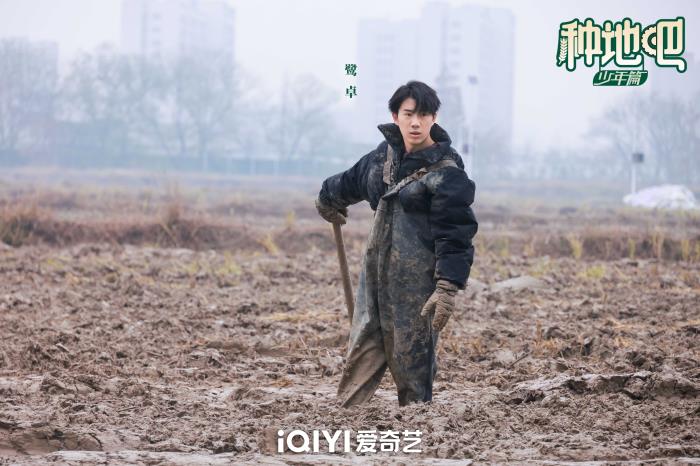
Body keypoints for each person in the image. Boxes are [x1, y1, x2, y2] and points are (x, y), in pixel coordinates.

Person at [315, 80, 478, 407]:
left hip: (416, 287)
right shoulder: (382, 158)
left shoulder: (447, 173)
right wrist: (327, 198)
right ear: (395, 116)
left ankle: (417, 422)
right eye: (408, 114)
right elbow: (351, 181)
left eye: (423, 114)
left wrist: (447, 286)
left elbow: (456, 232)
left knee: (412, 361)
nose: (416, 122)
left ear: (434, 118)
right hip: (374, 279)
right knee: (363, 348)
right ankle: (347, 418)